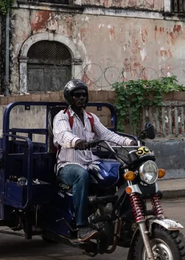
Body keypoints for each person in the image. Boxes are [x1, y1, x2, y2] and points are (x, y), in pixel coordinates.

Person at [52, 79, 134, 241]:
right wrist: (76, 141)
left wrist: (130, 142)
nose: (81, 98)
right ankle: (82, 226)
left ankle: (125, 220)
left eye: (83, 95)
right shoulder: (62, 117)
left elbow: (107, 135)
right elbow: (63, 135)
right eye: (77, 95)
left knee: (124, 171)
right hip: (68, 166)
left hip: (90, 163)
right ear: (70, 98)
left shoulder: (91, 118)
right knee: (80, 175)